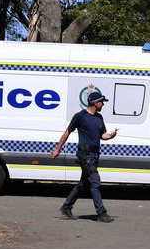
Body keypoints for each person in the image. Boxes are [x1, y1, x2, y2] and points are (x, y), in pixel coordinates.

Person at [51, 91, 119, 222]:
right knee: (95, 181)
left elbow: (102, 135)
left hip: (95, 155)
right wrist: (57, 149)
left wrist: (110, 136)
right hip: (85, 155)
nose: (103, 105)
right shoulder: (80, 116)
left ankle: (66, 207)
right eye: (102, 102)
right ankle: (101, 213)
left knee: (84, 183)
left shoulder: (99, 118)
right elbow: (67, 133)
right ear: (95, 103)